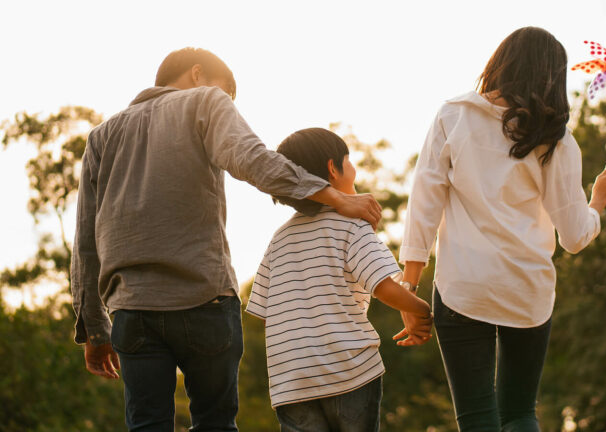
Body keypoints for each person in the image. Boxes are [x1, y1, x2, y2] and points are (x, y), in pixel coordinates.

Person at [70, 48, 383, 432]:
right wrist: (336, 196)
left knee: (147, 424)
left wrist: (95, 329)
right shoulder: (204, 101)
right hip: (203, 298)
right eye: (229, 94)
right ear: (198, 74)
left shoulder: (102, 136)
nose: (230, 105)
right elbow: (254, 160)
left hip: (133, 310)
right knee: (214, 423)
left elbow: (85, 238)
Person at [396, 27, 606, 431]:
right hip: (526, 288)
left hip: (464, 287)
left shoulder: (453, 114)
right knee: (519, 413)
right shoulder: (556, 139)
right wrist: (598, 201)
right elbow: (573, 237)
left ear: (502, 62)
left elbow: (423, 206)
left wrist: (408, 290)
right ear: (553, 77)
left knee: (478, 418)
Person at [245, 127, 433, 432]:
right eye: (349, 160)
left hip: (291, 382)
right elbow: (384, 287)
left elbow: (266, 314)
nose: (354, 168)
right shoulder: (351, 225)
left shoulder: (278, 240)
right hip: (348, 372)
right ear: (334, 168)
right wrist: (421, 309)